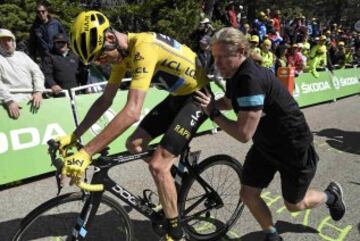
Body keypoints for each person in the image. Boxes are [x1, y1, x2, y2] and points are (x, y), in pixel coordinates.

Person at [56, 11, 210, 241]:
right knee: (134, 144)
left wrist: (87, 153)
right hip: (178, 97)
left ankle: (176, 233)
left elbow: (132, 111)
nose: (102, 63)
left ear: (110, 38)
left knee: (158, 166)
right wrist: (74, 136)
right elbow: (105, 100)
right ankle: (173, 176)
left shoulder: (144, 47)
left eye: (100, 56)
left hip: (198, 97)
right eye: (96, 61)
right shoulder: (122, 56)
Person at [194, 27, 346, 241]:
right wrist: (205, 105)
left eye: (222, 57)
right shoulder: (235, 74)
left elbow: (243, 134)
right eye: (214, 57)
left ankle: (331, 196)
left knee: (295, 205)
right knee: (248, 194)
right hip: (266, 144)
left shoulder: (250, 80)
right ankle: (272, 235)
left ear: (240, 51)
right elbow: (229, 102)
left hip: (292, 145)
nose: (217, 63)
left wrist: (212, 112)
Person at [0, 28, 44, 119]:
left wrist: (38, 91)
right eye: (2, 41)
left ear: (13, 41)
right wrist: (9, 101)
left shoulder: (22, 55)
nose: (7, 43)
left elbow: (37, 73)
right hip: (11, 103)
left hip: (32, 99)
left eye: (9, 40)